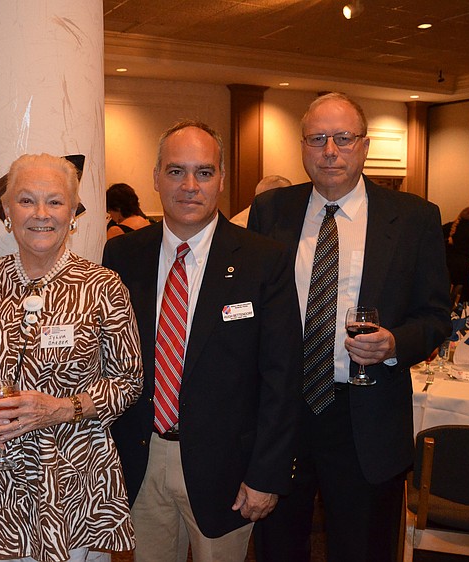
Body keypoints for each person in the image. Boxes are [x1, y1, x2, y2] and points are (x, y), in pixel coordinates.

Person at [249, 92, 450, 562]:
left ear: (364, 145)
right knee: (278, 547)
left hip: (368, 417)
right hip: (284, 416)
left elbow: (437, 316)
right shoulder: (271, 211)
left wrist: (395, 343)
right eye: (318, 139)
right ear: (302, 146)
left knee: (363, 549)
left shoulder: (414, 218)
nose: (330, 151)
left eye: (343, 138)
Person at [103, 120, 301, 561]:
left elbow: (282, 379)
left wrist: (267, 473)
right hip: (142, 459)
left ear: (222, 180)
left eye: (204, 172)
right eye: (175, 171)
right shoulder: (122, 255)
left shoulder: (263, 260)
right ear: (155, 177)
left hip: (228, 473)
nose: (189, 186)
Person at [0, 153, 142, 562]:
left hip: (72, 481)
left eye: (55, 202)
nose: (40, 214)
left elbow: (128, 381)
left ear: (73, 212)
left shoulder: (102, 286)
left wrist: (62, 408)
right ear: (6, 210)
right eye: (26, 200)